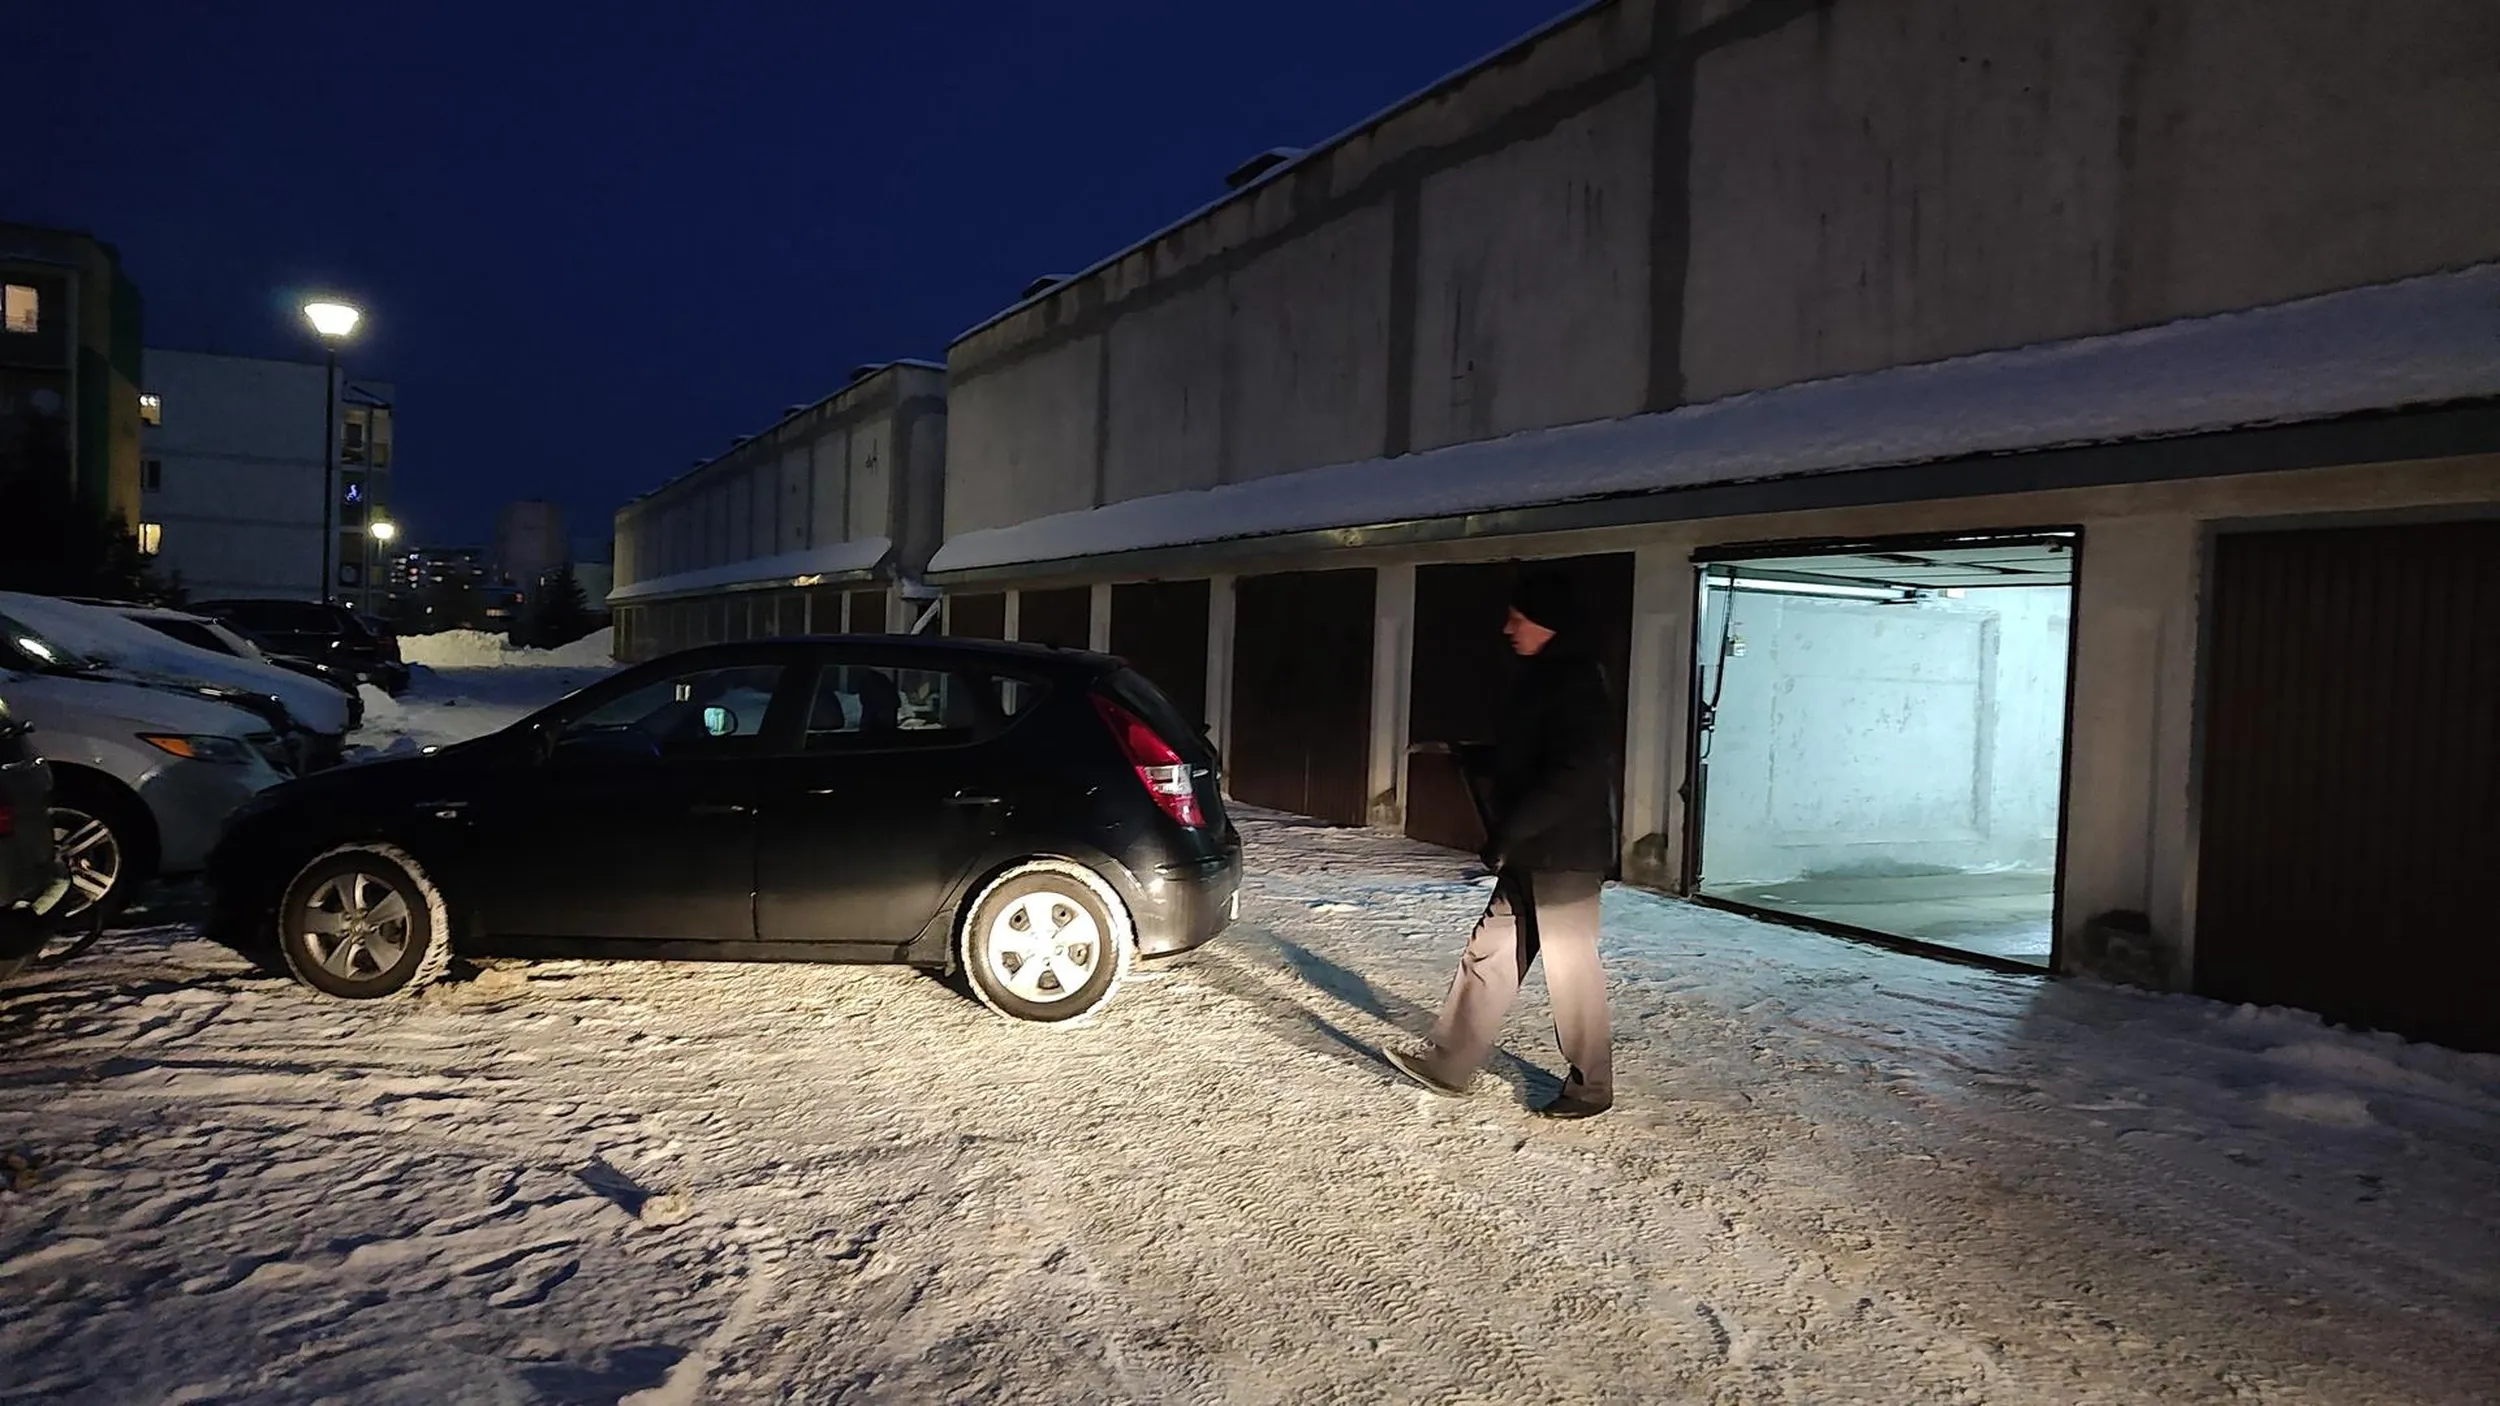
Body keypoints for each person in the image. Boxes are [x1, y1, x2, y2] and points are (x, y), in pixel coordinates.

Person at [1387, 571, 1618, 1119]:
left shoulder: (1577, 680)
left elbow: (1575, 771)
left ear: (1548, 622)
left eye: (1519, 617)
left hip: (1562, 853)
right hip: (1533, 850)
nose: (1507, 627)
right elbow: (1533, 753)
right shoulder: (1547, 677)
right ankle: (1449, 1062)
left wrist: (1512, 831)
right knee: (1490, 951)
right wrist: (1472, 754)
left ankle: (1592, 1088)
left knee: (1571, 970)